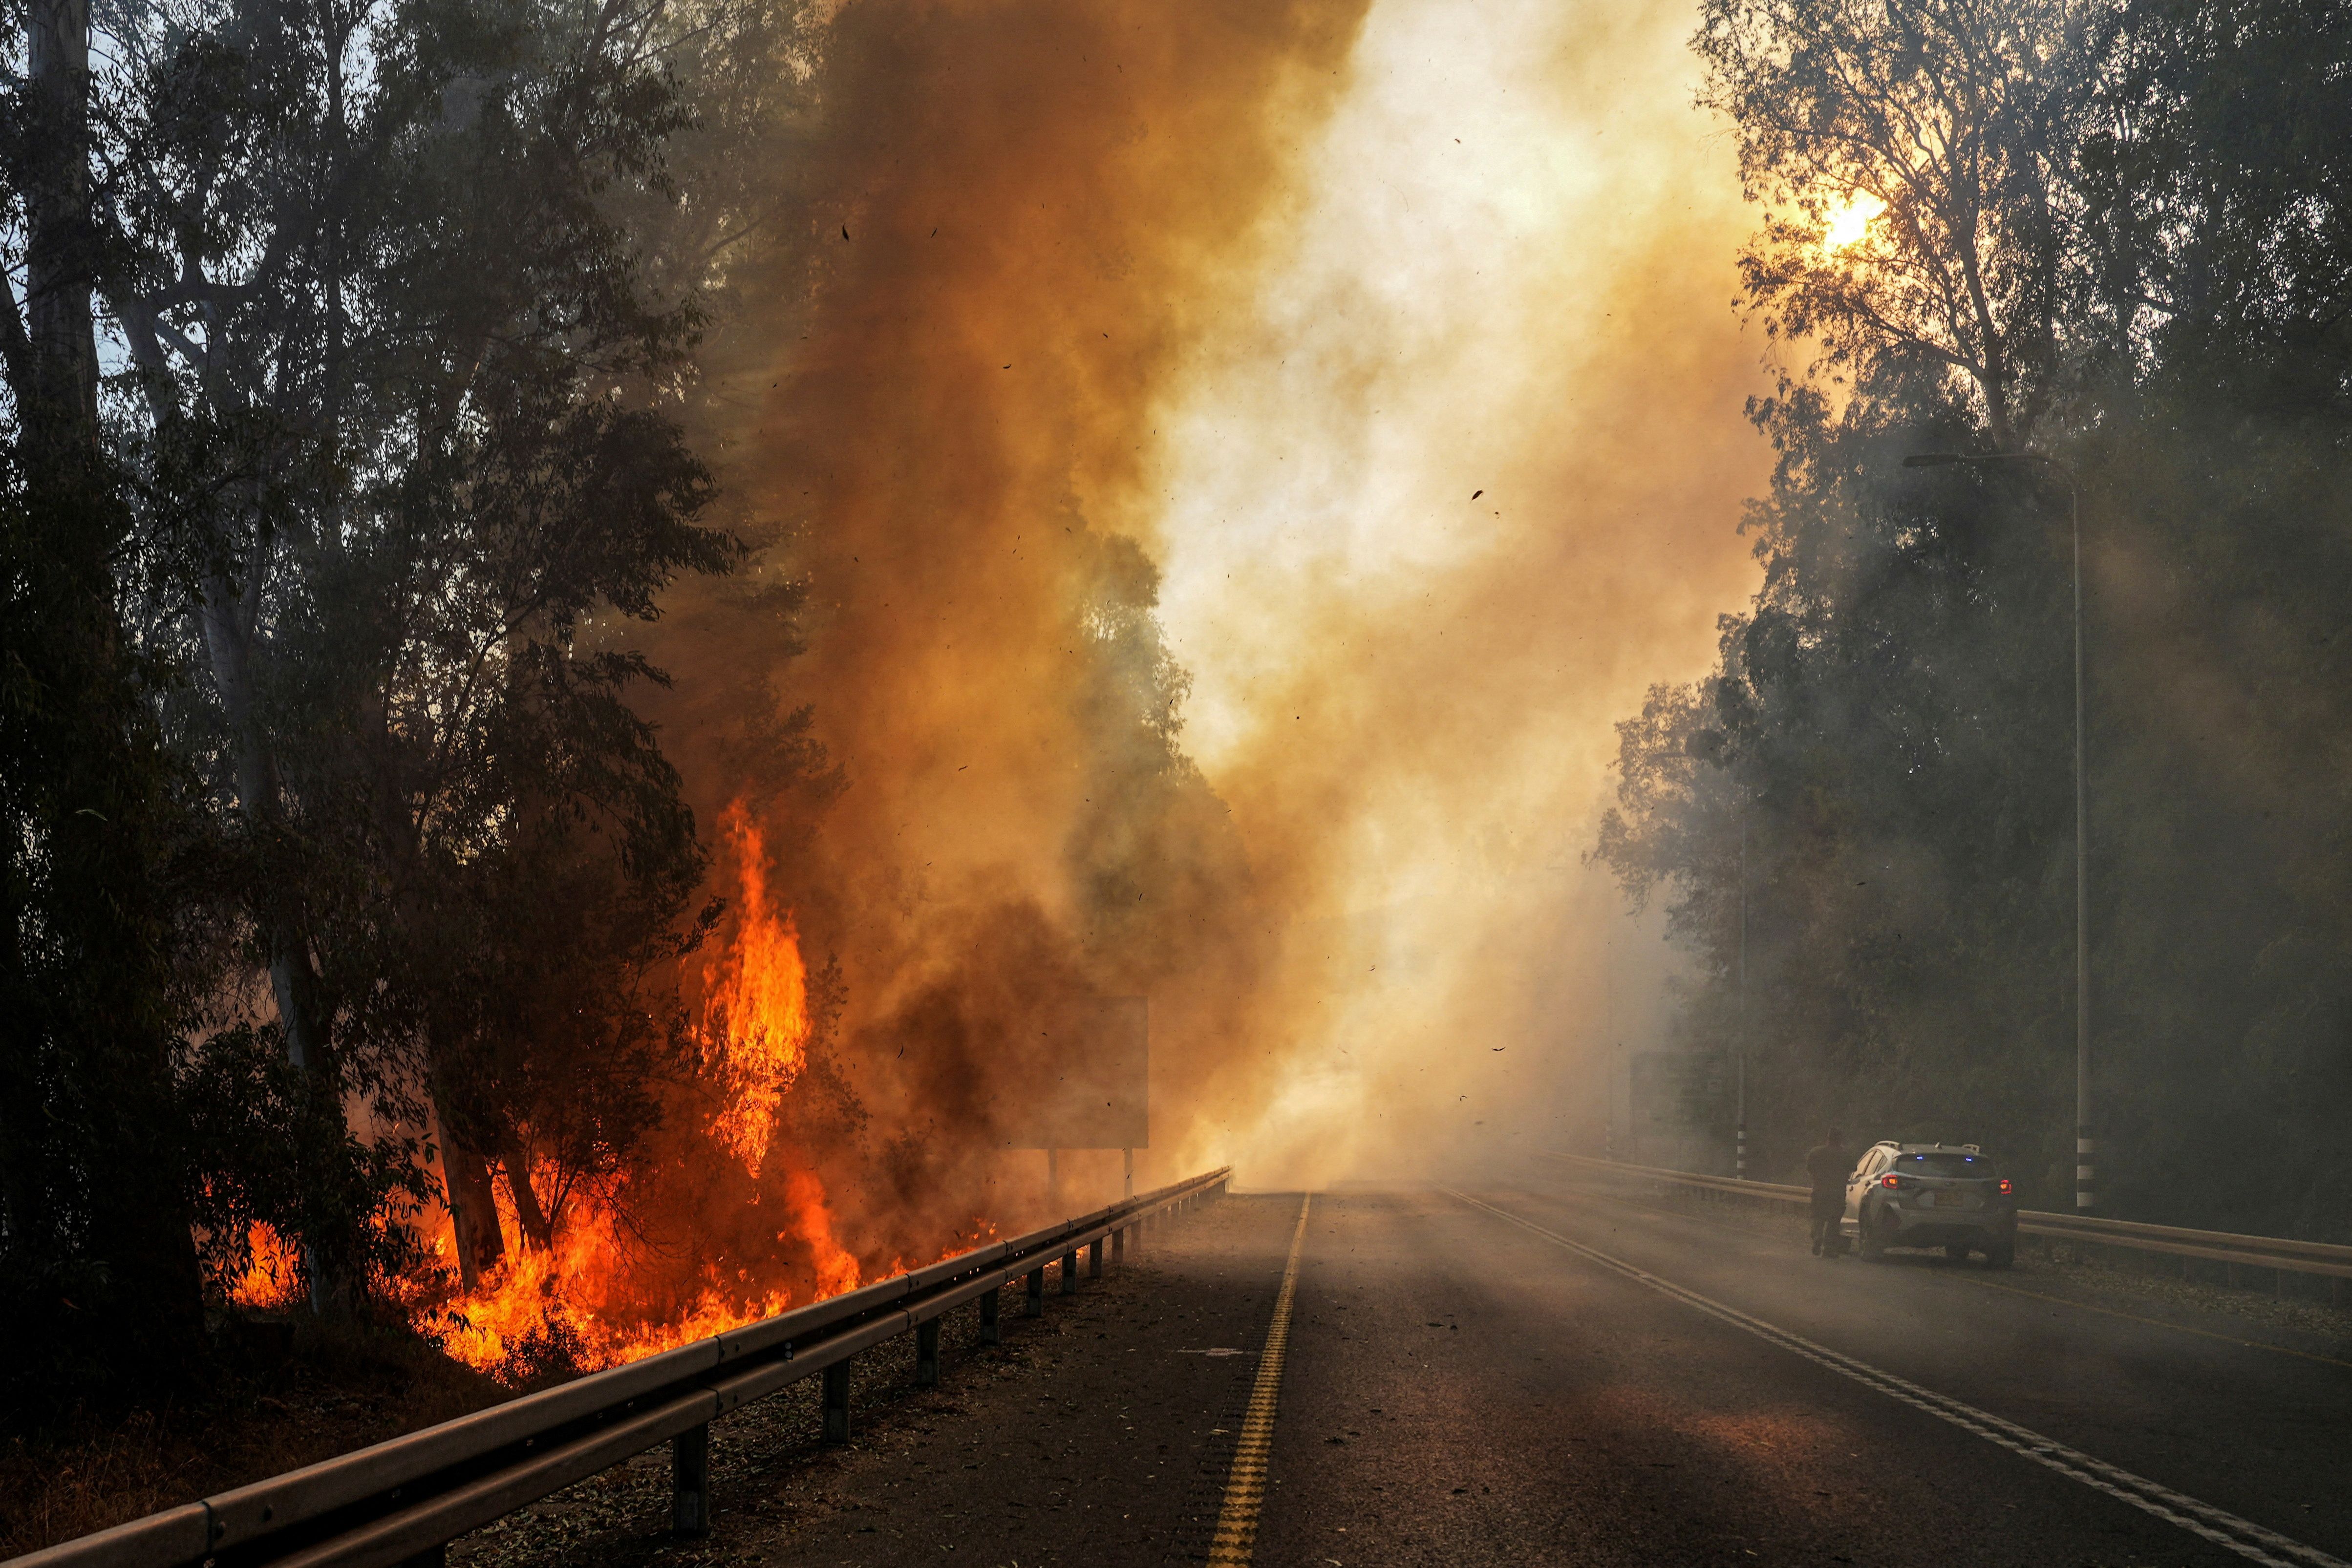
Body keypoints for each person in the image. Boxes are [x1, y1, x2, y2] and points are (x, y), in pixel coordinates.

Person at [1805, 1127, 1853, 1257]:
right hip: (1837, 1194)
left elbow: (1809, 1169)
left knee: (1817, 1216)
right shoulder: (1845, 1155)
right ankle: (1829, 1249)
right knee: (1834, 1221)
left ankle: (1817, 1236)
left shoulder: (1815, 1152)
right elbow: (1854, 1168)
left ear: (1827, 1138)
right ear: (1840, 1140)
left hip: (1819, 1191)